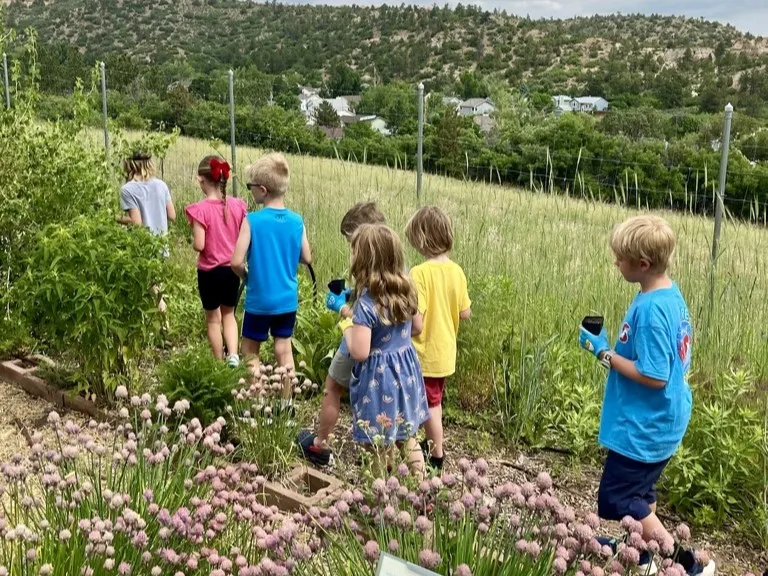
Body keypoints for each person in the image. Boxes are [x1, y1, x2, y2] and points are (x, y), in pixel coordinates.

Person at [578, 215, 715, 576]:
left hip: (645, 427)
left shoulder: (652, 311)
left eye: (620, 258)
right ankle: (638, 548)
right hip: (662, 419)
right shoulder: (668, 293)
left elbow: (654, 375)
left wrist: (603, 353)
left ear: (641, 264)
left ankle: (683, 562)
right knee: (641, 493)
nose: (615, 263)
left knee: (618, 497)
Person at [298, 201, 387, 467]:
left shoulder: (367, 266)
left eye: (351, 243)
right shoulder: (392, 263)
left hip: (358, 341)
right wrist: (350, 293)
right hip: (387, 348)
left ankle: (320, 445)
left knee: (332, 386)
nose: (350, 250)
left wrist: (342, 308)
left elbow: (364, 316)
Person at [341, 223, 429, 477]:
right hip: (406, 375)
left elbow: (359, 351)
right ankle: (421, 486)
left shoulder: (367, 304)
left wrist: (346, 325)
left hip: (379, 382)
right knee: (407, 436)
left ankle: (381, 496)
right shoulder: (406, 292)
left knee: (378, 442)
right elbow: (417, 327)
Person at [231, 153, 311, 401]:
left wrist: (247, 275)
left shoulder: (252, 220)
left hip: (259, 299)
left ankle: (259, 401)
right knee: (283, 348)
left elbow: (235, 261)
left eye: (251, 187)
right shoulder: (297, 221)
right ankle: (287, 403)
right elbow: (306, 257)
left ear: (262, 190)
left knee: (250, 349)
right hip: (287, 299)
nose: (251, 191)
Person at [405, 206, 471, 471]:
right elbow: (465, 312)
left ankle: (435, 454)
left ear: (421, 240)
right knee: (435, 401)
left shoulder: (419, 273)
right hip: (445, 350)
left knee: (426, 405)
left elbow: (417, 324)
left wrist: (399, 327)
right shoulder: (457, 271)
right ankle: (431, 447)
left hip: (423, 354)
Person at [185, 155, 247, 366]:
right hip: (231, 270)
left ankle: (218, 361)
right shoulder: (238, 205)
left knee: (213, 318)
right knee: (229, 314)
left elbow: (200, 245)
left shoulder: (199, 210)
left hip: (209, 272)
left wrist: (192, 239)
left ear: (201, 180)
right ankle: (233, 355)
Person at [119, 151, 176, 319]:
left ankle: (165, 325)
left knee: (152, 287)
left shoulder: (127, 190)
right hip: (161, 242)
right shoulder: (161, 185)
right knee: (155, 284)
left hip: (143, 245)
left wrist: (115, 218)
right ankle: (154, 322)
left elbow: (136, 222)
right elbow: (172, 215)